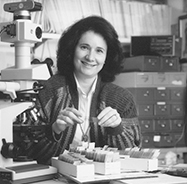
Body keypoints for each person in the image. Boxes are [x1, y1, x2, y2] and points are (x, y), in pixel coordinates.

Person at [31, 16, 141, 164]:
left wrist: (117, 128)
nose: (90, 57)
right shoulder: (48, 90)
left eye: (99, 51)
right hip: (53, 181)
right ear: (72, 48)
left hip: (104, 183)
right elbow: (31, 152)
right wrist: (55, 129)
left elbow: (133, 155)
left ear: (107, 57)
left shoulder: (122, 98)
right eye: (84, 47)